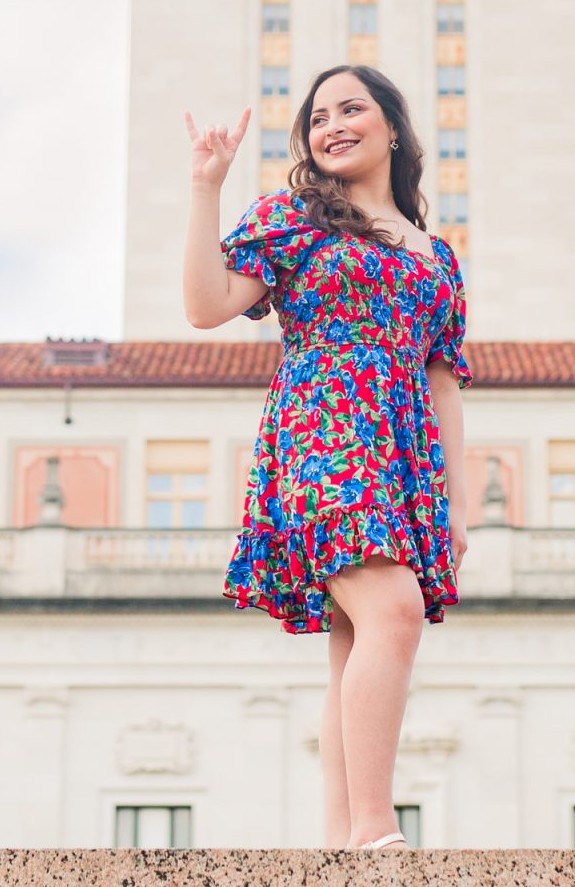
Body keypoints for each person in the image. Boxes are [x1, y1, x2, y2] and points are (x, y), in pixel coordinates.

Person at [180, 64, 472, 852]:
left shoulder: (438, 257)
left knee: (357, 636)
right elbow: (207, 307)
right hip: (322, 431)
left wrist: (457, 504)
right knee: (395, 610)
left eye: (352, 109)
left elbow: (442, 380)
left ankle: (344, 835)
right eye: (317, 117)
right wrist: (207, 186)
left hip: (403, 455)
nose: (332, 125)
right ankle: (377, 829)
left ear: (394, 130)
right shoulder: (294, 219)